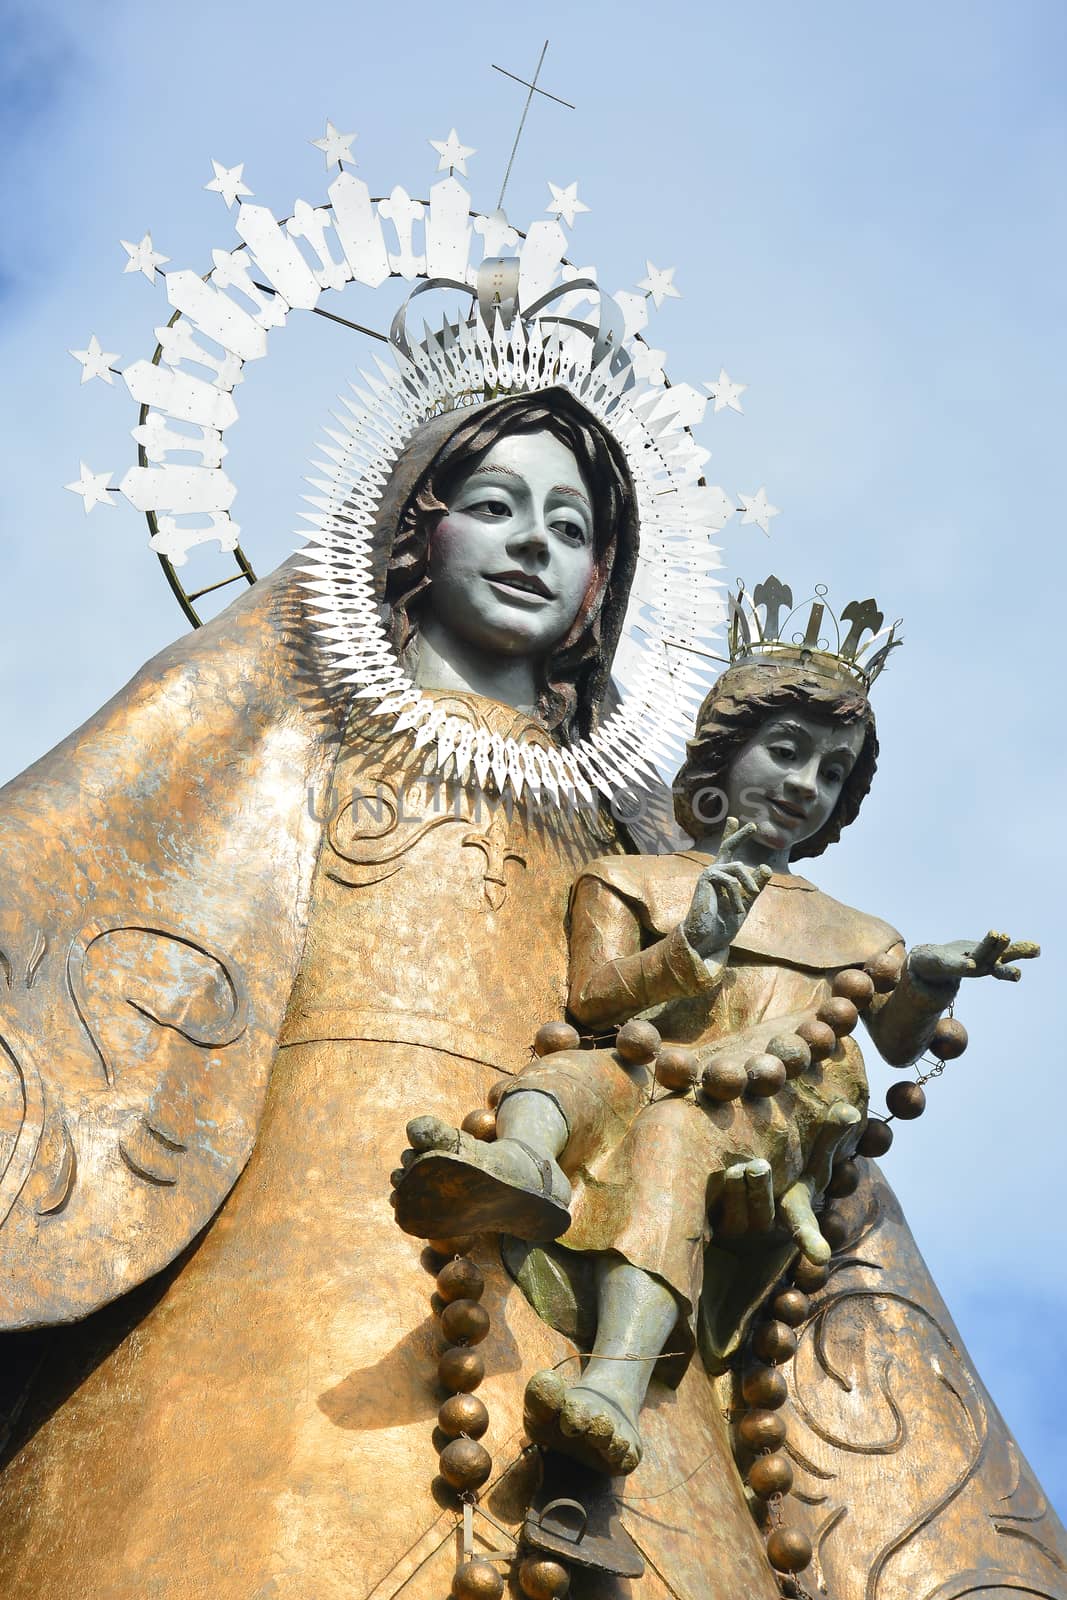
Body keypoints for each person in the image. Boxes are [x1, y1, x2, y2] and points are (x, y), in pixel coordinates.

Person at [0, 387, 647, 1597]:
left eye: (566, 529)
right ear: (418, 527)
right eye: (496, 506)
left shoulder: (622, 825)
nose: (530, 545)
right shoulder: (284, 714)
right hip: (288, 1186)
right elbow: (72, 852)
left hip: (560, 1245)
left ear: (598, 584)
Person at [393, 645, 1038, 1478]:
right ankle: (519, 1168)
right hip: (649, 1061)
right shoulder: (627, 878)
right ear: (721, 756)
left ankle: (614, 1387)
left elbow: (896, 1041)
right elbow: (592, 1002)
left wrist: (923, 976)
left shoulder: (860, 933)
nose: (806, 783)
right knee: (567, 1075)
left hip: (766, 1098)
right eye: (785, 750)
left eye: (831, 772)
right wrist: (694, 942)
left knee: (672, 1140)